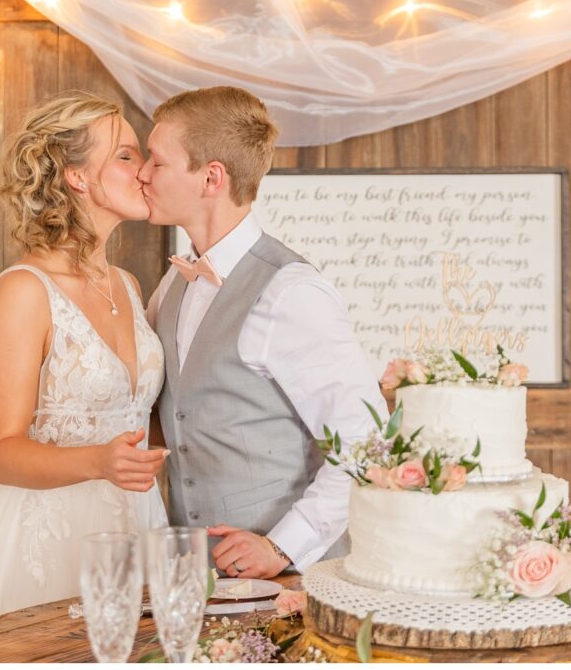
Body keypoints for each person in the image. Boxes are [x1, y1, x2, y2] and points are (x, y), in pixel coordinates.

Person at [0, 91, 169, 642]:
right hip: (49, 538)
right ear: (77, 176)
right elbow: (4, 453)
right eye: (126, 155)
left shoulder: (127, 285)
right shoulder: (22, 293)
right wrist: (99, 461)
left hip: (136, 523)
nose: (146, 169)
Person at [139, 86, 386, 579]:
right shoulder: (173, 282)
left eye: (156, 161)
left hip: (292, 584)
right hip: (194, 579)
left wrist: (281, 548)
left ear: (211, 177)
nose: (142, 174)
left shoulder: (291, 292)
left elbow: (367, 443)